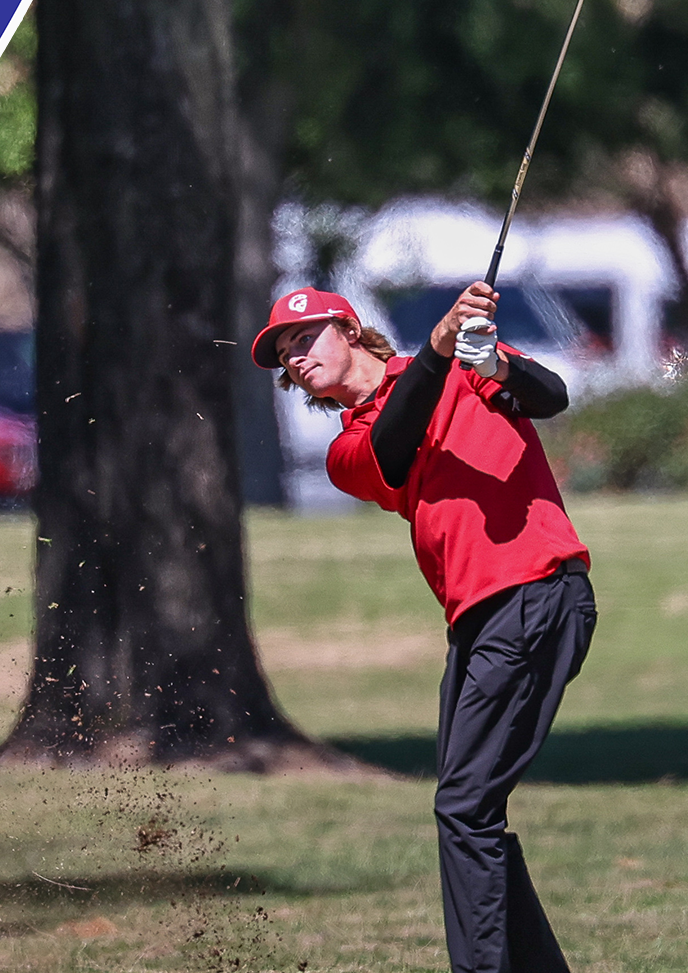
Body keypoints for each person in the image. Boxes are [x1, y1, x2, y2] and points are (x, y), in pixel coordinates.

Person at [252, 282, 597, 973]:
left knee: (465, 808)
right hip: (478, 620)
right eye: (286, 354)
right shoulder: (349, 451)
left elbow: (551, 397)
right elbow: (396, 438)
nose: (296, 359)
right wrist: (441, 353)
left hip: (532, 590)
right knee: (471, 811)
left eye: (305, 339)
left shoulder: (465, 366)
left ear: (349, 330)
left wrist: (496, 365)